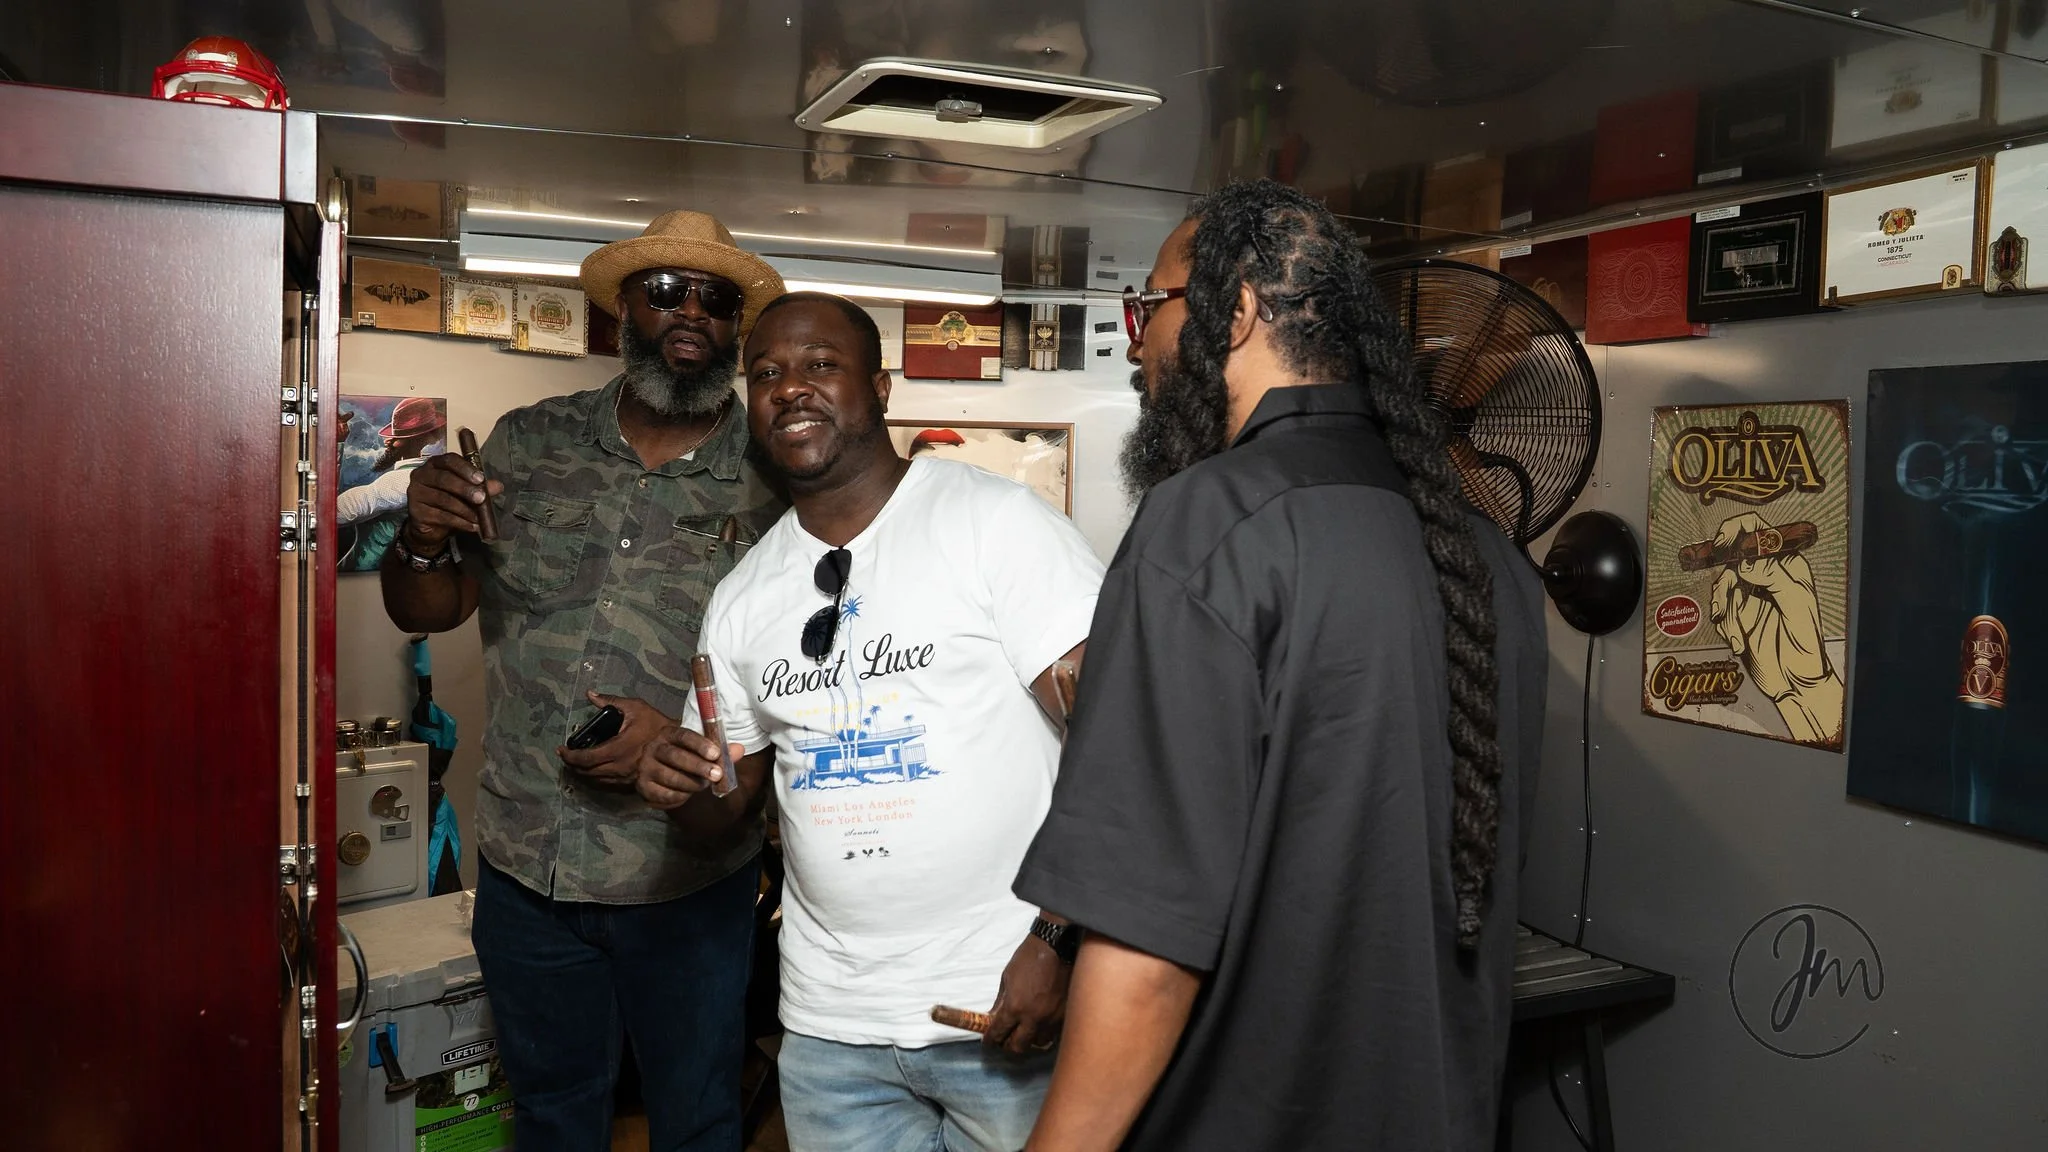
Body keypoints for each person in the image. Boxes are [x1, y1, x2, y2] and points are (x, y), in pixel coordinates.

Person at [1013, 179, 1549, 1151]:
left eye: (1150, 307)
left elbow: (1144, 949)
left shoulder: (1205, 527)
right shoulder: (1485, 550)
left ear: (1238, 311)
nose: (1137, 344)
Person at [631, 292, 1105, 1152]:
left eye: (820, 365)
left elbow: (1119, 748)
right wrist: (678, 786)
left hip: (1002, 1001)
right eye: (767, 372)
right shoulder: (744, 597)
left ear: (879, 388)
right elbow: (723, 813)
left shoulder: (996, 526)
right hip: (831, 1033)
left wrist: (1058, 941)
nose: (789, 388)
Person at [379, 209, 787, 1152]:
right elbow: (425, 610)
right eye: (666, 291)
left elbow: (811, 668)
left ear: (734, 328)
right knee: (555, 1117)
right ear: (620, 313)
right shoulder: (526, 443)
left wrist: (689, 744)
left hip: (688, 877)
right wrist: (422, 533)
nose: (691, 311)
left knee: (696, 1121)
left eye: (716, 299)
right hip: (530, 866)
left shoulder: (772, 479)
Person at [337, 396, 447, 571]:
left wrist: (335, 444)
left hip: (371, 570)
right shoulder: (427, 475)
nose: (388, 441)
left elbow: (336, 513)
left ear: (418, 439)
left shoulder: (402, 481)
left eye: (397, 437)